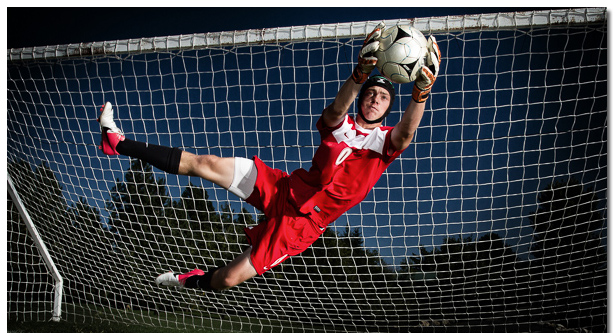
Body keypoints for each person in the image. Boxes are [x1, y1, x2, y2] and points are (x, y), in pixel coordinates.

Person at [97, 23, 441, 292]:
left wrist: (421, 94)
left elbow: (406, 133)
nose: (375, 99)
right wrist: (358, 75)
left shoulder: (385, 143)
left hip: (301, 226)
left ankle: (192, 279)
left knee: (228, 279)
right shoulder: (341, 125)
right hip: (283, 188)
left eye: (383, 96)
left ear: (389, 106)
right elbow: (337, 109)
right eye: (371, 93)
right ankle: (117, 142)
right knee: (205, 164)